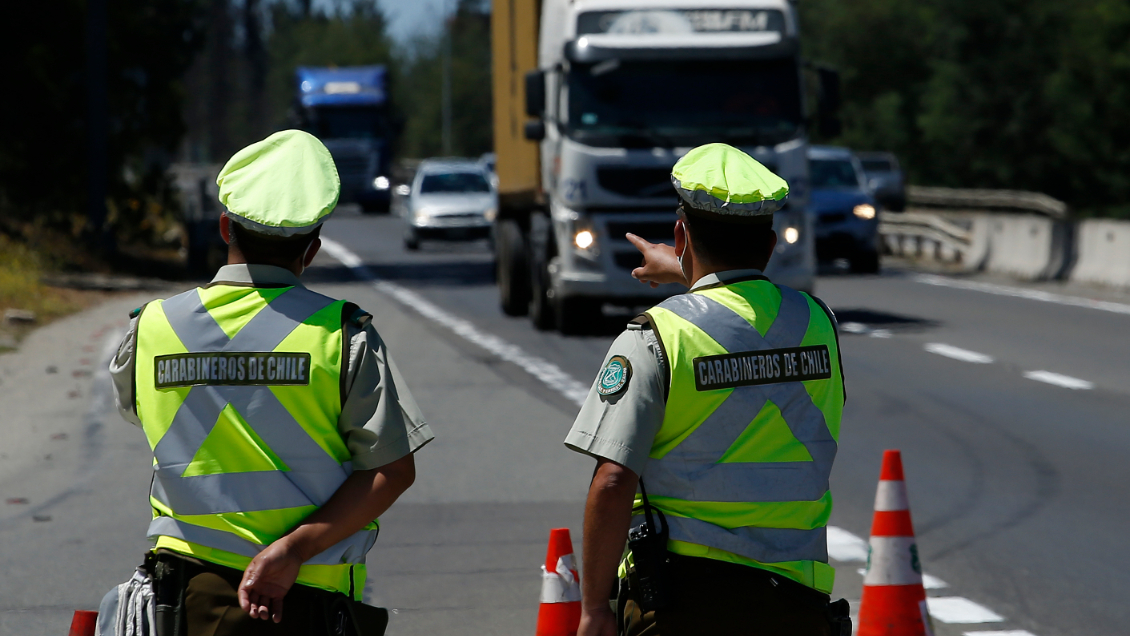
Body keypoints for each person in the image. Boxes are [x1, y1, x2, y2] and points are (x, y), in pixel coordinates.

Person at [108, 130, 433, 635]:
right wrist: (292, 550)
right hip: (305, 598)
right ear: (314, 248)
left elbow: (138, 413)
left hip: (183, 599)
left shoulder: (150, 326)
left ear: (224, 227)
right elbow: (392, 471)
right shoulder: (341, 335)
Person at [565, 143, 849, 636]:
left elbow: (613, 480)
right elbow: (750, 312)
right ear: (772, 245)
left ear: (681, 235)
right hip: (798, 602)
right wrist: (684, 266)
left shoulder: (656, 336)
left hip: (684, 601)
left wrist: (594, 609)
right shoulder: (818, 322)